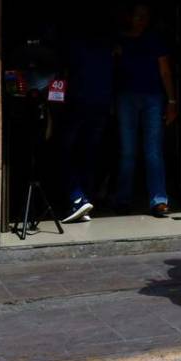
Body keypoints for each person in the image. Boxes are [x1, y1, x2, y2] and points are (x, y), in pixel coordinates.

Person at [114, 4, 176, 217]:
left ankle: (159, 199)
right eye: (138, 15)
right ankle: (122, 198)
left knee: (153, 150)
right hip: (125, 97)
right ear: (129, 17)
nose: (141, 20)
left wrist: (172, 100)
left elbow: (165, 71)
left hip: (152, 97)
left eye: (145, 16)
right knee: (127, 151)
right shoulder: (119, 40)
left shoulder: (155, 39)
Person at [58, 15, 115, 223]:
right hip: (100, 103)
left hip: (77, 103)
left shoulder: (72, 45)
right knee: (89, 153)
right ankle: (85, 199)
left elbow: (64, 72)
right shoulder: (107, 45)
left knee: (65, 151)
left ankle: (77, 198)